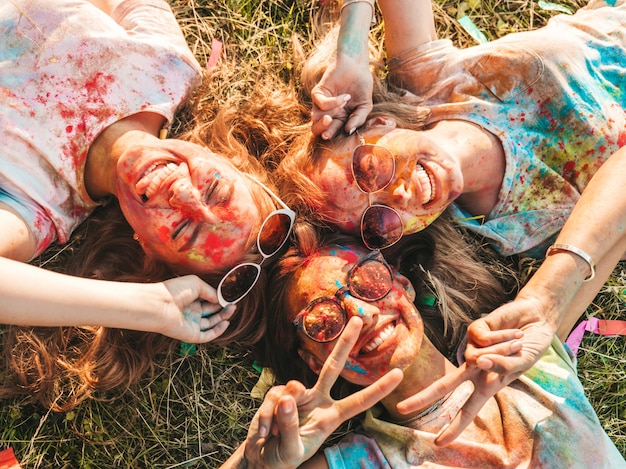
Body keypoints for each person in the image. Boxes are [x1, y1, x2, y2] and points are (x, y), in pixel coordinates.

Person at [274, 0, 626, 443]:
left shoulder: (425, 84)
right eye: (381, 221)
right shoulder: (506, 232)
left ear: (378, 123)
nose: (401, 197)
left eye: (371, 170)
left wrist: (352, 49)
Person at [0, 0, 294, 410]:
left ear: (146, 249)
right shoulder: (168, 67)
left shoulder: (36, 207)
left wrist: (153, 308)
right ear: (230, 161)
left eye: (180, 229)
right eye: (215, 191)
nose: (183, 195)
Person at [237, 227, 624, 467]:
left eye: (367, 280)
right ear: (312, 360)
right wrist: (258, 466)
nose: (361, 314)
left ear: (403, 284)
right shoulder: (365, 463)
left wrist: (547, 298)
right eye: (323, 319)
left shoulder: (517, 353)